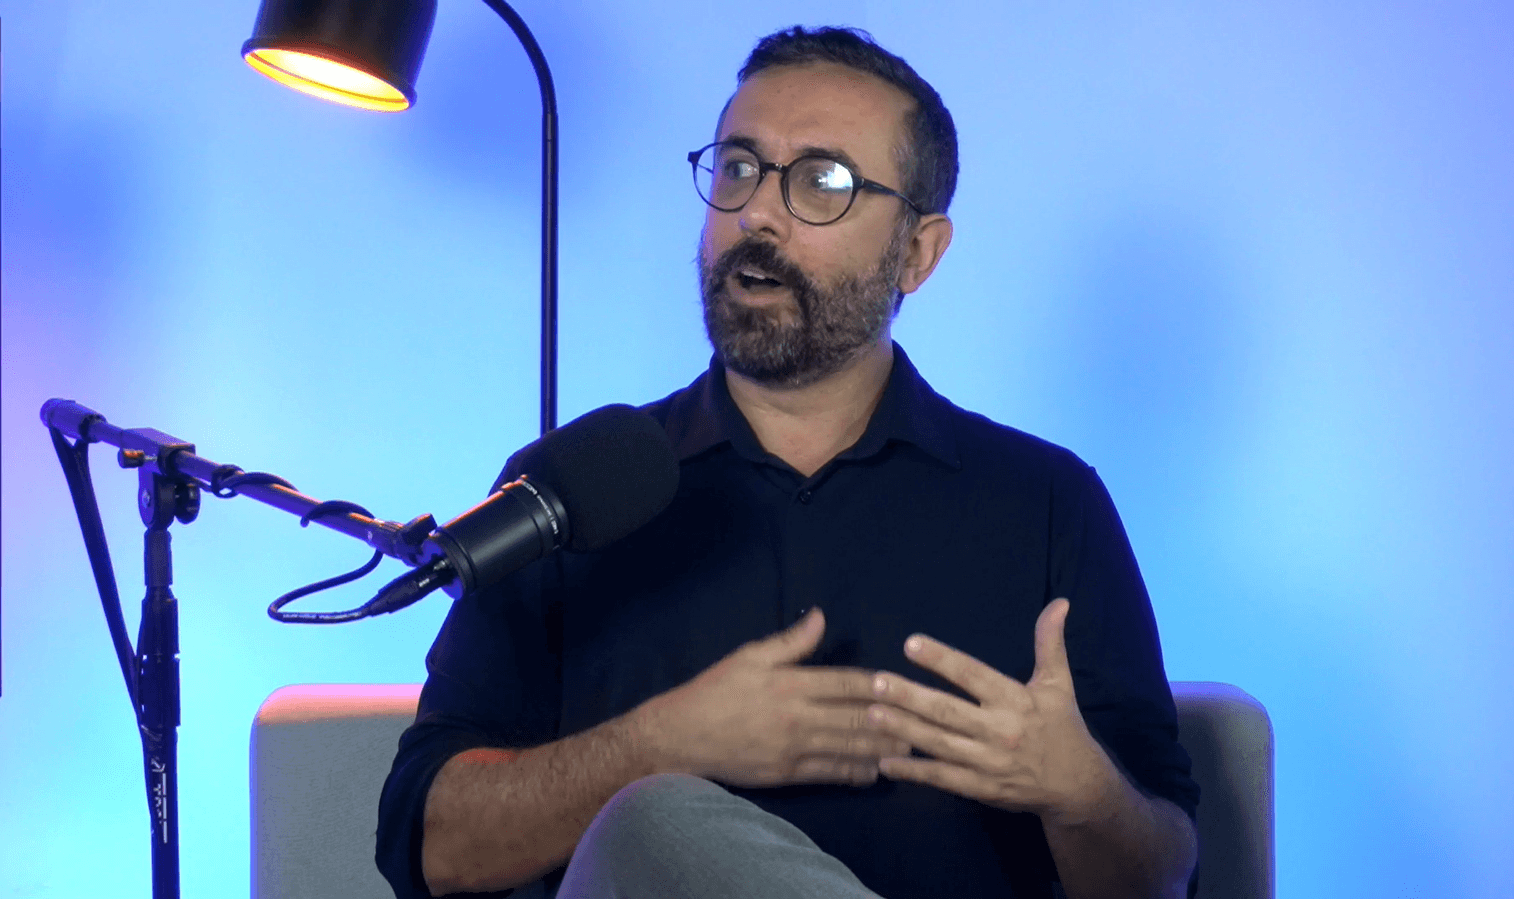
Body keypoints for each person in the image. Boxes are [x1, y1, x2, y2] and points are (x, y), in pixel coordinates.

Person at [377, 26, 1199, 899]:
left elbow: (1165, 880)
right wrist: (657, 744)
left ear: (916, 253)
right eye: (738, 167)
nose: (756, 213)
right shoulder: (569, 492)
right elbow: (430, 848)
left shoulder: (1045, 503)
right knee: (658, 814)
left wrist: (1082, 797)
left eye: (821, 182)